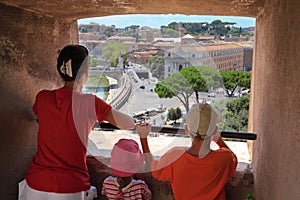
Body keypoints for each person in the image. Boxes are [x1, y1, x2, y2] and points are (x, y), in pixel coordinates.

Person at [19, 45, 135, 200]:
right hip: (69, 186)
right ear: (85, 74)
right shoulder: (89, 102)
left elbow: (40, 114)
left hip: (36, 182)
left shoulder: (43, 98)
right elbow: (127, 123)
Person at [136, 103, 237, 200]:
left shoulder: (174, 156)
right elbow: (233, 159)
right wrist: (218, 140)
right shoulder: (224, 158)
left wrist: (143, 138)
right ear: (215, 131)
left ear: (186, 130)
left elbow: (153, 169)